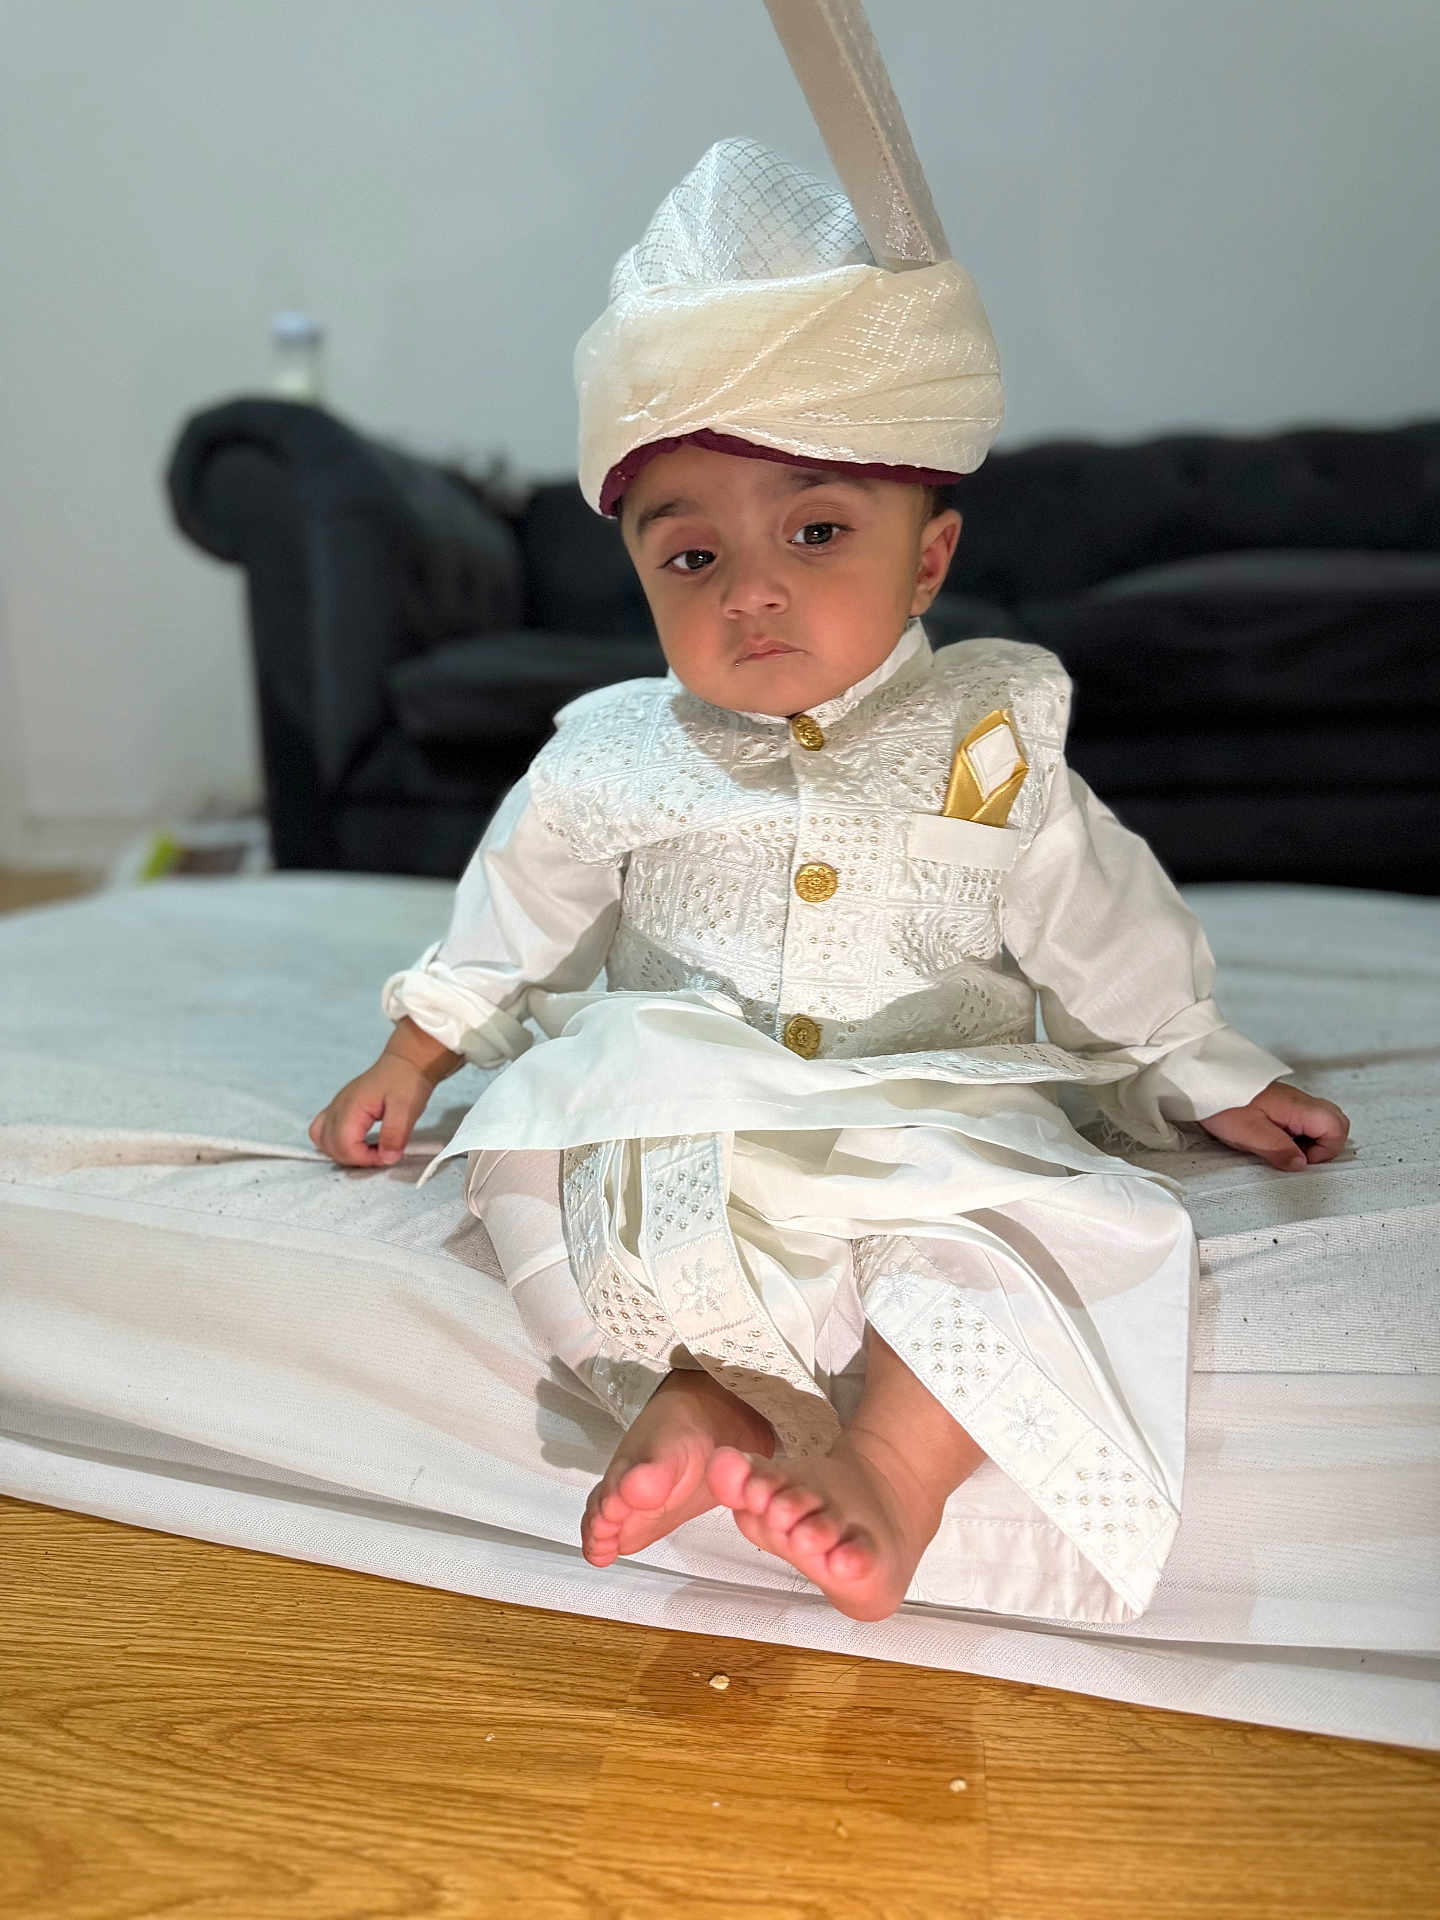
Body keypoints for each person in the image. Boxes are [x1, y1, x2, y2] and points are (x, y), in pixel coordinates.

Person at [310, 140, 1348, 1627]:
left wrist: (1201, 1065)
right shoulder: (617, 752)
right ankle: (685, 1395)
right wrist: (418, 1054)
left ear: (927, 564)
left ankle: (894, 1469)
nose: (753, 589)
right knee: (531, 1171)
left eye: (816, 532)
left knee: (1043, 1228)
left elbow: (1091, 912)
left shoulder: (986, 736)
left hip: (925, 1094)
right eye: (691, 558)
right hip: (679, 1085)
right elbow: (516, 911)